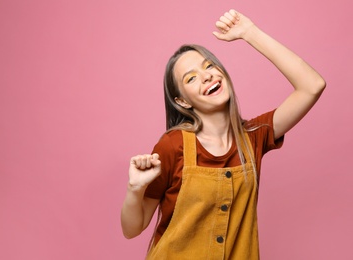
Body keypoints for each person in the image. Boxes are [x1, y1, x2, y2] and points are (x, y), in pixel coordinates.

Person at [121, 9, 326, 259]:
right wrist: (135, 188)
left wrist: (250, 33)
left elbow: (312, 85)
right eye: (192, 78)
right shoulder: (172, 146)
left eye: (209, 66)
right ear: (182, 102)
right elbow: (132, 229)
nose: (207, 75)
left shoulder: (253, 137)